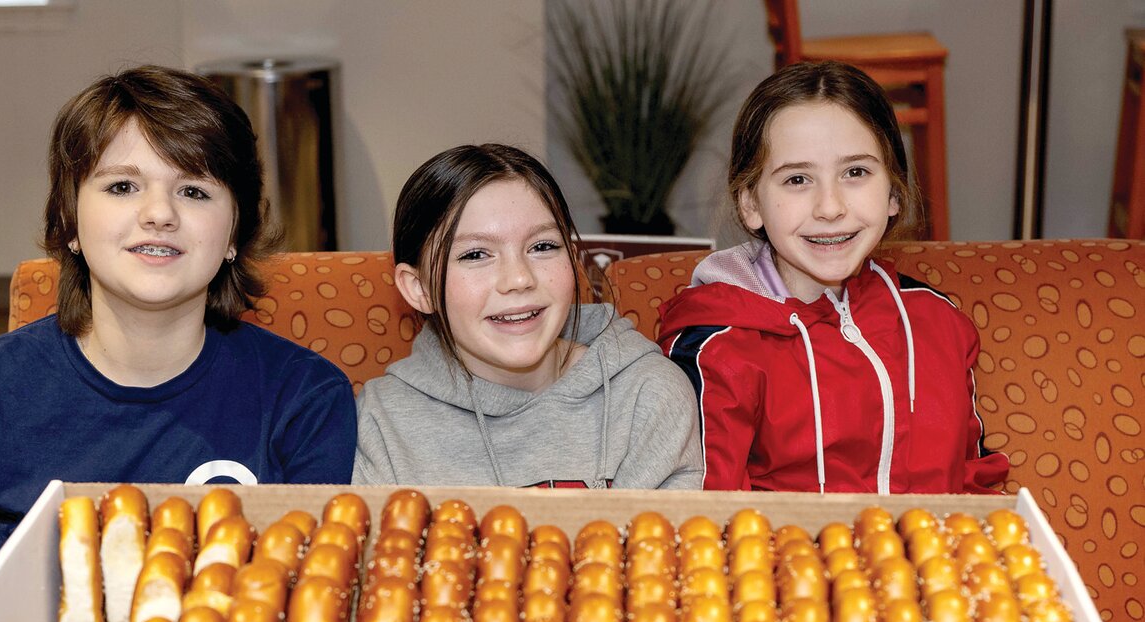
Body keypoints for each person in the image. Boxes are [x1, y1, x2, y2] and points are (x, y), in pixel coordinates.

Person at [0, 67, 356, 602]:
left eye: (194, 190)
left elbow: (312, 620)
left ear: (235, 233)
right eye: (122, 186)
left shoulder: (306, 399)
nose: (159, 213)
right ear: (68, 220)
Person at [658, 61, 1007, 495]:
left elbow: (973, 485)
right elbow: (706, 527)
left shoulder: (938, 321)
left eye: (855, 173)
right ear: (751, 203)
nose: (830, 206)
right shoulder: (716, 346)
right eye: (798, 179)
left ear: (894, 192)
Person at [353, 143, 702, 490]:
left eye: (543, 247)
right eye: (475, 254)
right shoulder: (382, 420)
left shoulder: (647, 394)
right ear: (418, 288)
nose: (519, 279)